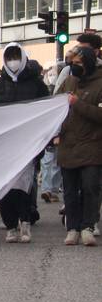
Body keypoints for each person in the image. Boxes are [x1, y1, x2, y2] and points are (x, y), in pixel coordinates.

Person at [0, 43, 50, 243]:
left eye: (16, 56)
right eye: (9, 57)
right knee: (5, 187)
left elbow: (45, 109)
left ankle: (25, 221)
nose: (13, 61)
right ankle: (11, 225)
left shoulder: (36, 83)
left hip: (27, 143)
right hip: (4, 145)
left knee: (23, 186)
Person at [57, 45, 102, 246]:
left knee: (91, 187)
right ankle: (72, 228)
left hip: (92, 144)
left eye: (78, 64)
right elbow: (54, 106)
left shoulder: (100, 83)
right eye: (72, 63)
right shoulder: (68, 81)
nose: (73, 67)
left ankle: (88, 226)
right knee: (70, 190)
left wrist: (78, 104)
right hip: (68, 144)